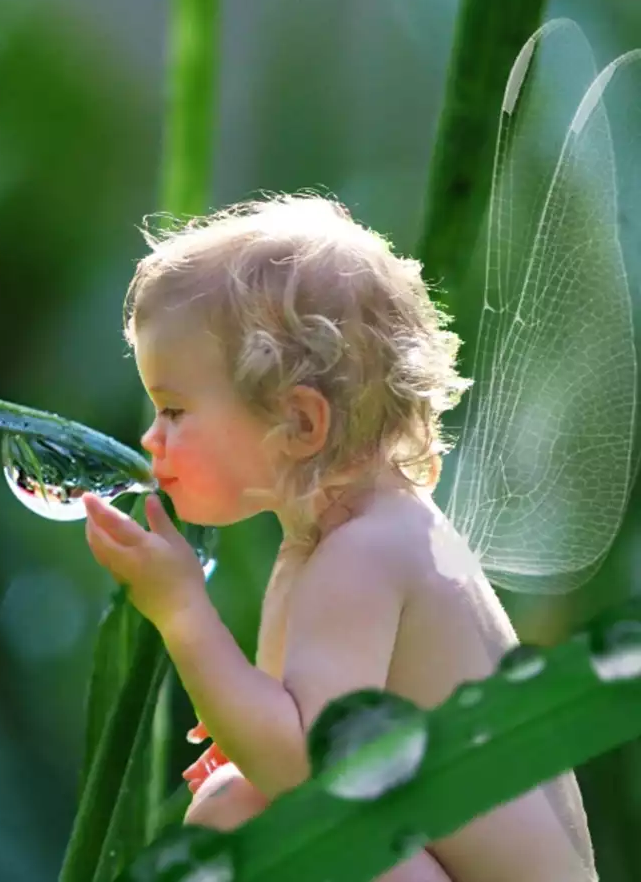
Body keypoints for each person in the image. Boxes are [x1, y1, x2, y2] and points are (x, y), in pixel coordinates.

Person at [79, 193, 597, 882]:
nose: (151, 439)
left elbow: (306, 771)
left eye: (174, 409)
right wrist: (248, 735)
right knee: (239, 801)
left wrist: (180, 610)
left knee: (241, 812)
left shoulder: (363, 554)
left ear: (300, 424)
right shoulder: (341, 537)